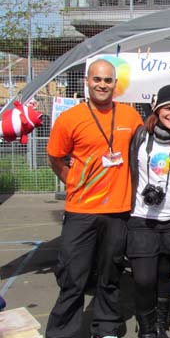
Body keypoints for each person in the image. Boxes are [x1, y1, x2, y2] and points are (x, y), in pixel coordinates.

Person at [46, 59, 143, 338]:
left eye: (108, 80)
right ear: (87, 81)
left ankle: (107, 326)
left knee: (110, 275)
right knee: (73, 276)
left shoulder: (129, 116)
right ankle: (62, 332)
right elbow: (55, 157)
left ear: (116, 84)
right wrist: (73, 181)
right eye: (97, 80)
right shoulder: (70, 119)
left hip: (118, 211)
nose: (102, 85)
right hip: (81, 210)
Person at [128, 84, 170, 338]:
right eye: (168, 108)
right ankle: (146, 327)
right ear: (157, 109)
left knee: (164, 275)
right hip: (142, 217)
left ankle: (160, 324)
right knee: (143, 279)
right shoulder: (140, 137)